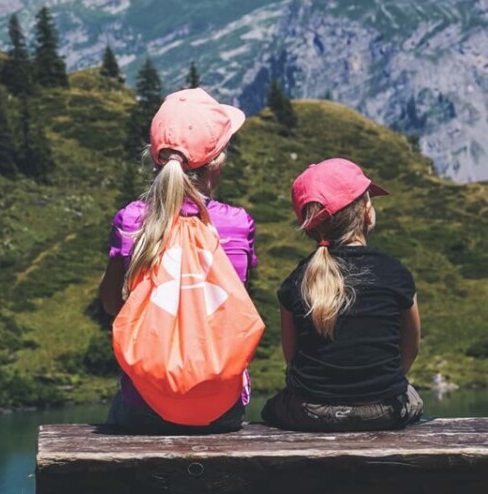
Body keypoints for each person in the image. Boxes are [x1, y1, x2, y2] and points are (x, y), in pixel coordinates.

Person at [99, 88, 258, 433]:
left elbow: (112, 304)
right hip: (222, 409)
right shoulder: (236, 224)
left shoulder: (130, 220)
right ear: (217, 162)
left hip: (144, 406)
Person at [261, 158, 423, 431]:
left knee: (271, 408)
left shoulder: (297, 279)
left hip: (312, 412)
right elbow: (411, 348)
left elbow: (292, 357)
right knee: (413, 398)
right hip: (383, 410)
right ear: (366, 211)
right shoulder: (395, 273)